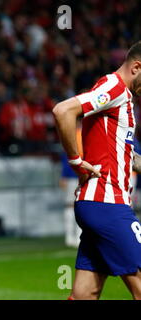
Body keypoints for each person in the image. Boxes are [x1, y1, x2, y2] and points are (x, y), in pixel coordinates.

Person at [52, 41, 141, 300]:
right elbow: (63, 110)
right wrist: (75, 160)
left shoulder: (120, 96)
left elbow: (123, 156)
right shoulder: (115, 87)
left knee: (85, 294)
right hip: (107, 206)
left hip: (98, 205)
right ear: (137, 66)